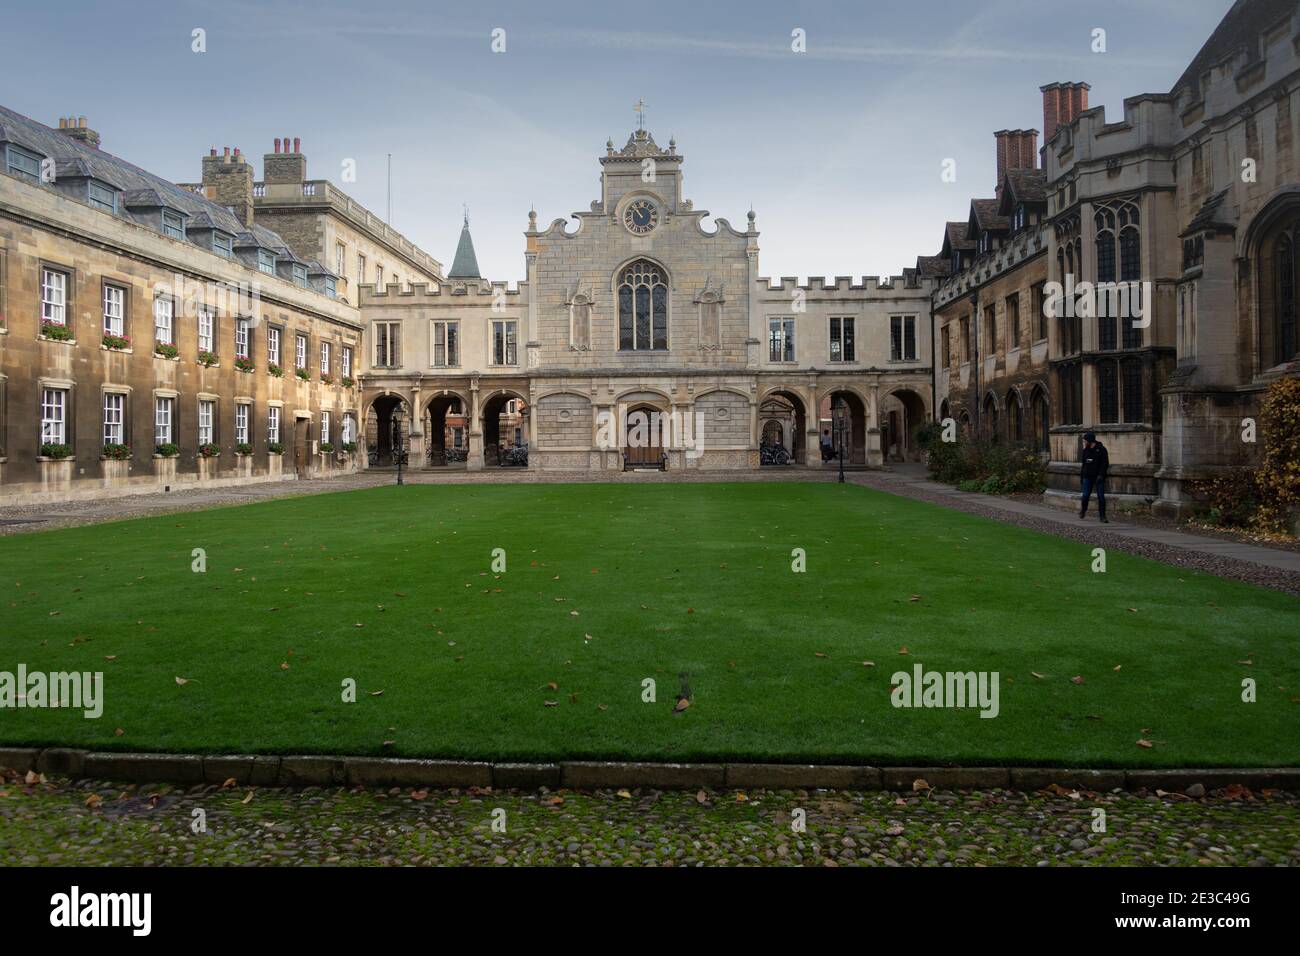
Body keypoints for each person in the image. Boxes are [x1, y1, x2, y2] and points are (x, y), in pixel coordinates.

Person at [1079, 431, 1109, 523]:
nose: (1084, 442)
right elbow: (1084, 465)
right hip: (1087, 477)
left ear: (1090, 440)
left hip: (1098, 477)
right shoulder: (1085, 451)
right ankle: (1083, 510)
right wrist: (1082, 477)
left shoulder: (1101, 449)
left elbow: (1105, 464)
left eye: (1085, 440)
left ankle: (1102, 516)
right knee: (1085, 496)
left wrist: (1101, 475)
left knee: (1101, 497)